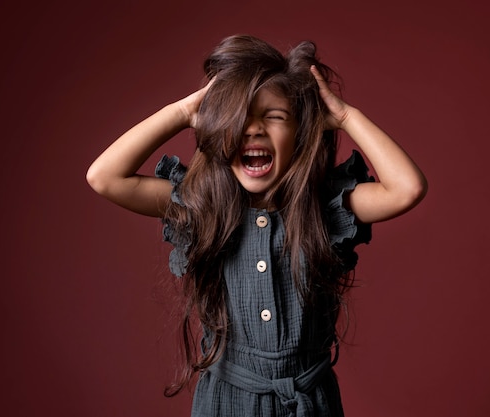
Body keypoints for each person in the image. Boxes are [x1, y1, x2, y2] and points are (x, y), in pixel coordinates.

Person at [86, 34, 427, 417]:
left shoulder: (324, 207)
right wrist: (184, 111)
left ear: (299, 133)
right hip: (226, 403)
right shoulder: (203, 207)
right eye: (238, 118)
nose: (253, 129)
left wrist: (345, 117)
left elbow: (407, 188)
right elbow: (105, 177)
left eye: (274, 116)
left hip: (308, 403)